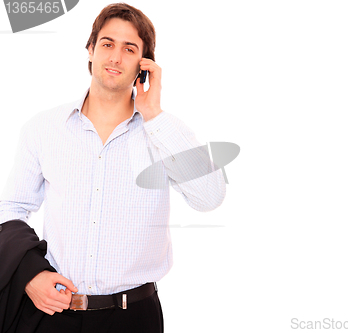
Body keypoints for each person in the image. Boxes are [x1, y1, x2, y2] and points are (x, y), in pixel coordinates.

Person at [0, 3, 226, 332]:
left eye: (129, 48)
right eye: (107, 44)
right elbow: (12, 209)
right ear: (90, 50)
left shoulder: (165, 132)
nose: (116, 57)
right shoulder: (43, 128)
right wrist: (30, 274)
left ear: (144, 65)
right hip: (54, 314)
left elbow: (210, 198)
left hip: (133, 317)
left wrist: (155, 116)